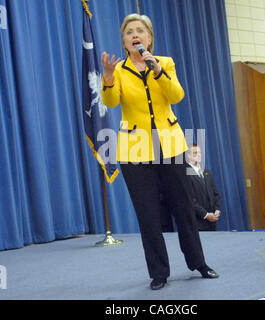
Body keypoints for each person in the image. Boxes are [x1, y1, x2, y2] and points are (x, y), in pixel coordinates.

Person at [100, 13, 218, 290]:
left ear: (150, 38)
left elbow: (176, 95)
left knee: (184, 208)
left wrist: (158, 72)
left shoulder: (165, 63)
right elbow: (112, 101)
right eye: (129, 32)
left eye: (140, 31)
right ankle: (159, 273)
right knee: (148, 214)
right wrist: (107, 78)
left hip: (171, 145)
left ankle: (198, 263)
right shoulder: (118, 70)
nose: (135, 35)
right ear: (125, 42)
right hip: (135, 150)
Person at [187, 144, 221, 231]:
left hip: (212, 222)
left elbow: (216, 194)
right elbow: (190, 200)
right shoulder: (186, 174)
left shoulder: (206, 172)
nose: (198, 154)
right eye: (195, 153)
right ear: (188, 155)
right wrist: (206, 215)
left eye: (199, 152)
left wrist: (217, 210)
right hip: (198, 223)